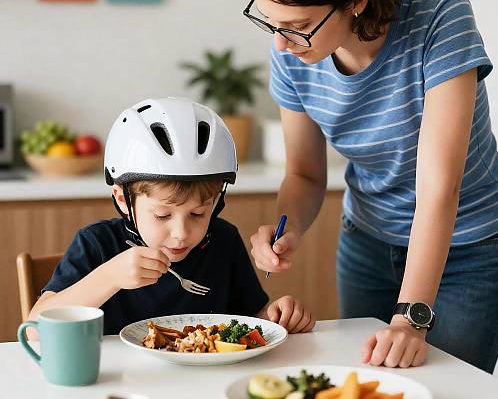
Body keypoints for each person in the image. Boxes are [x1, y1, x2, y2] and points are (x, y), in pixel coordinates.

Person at [233, 0, 498, 372]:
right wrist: (288, 227)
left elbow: (439, 188)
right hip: (367, 241)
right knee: (367, 379)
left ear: (356, 0)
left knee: (443, 387)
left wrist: (410, 316)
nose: (280, 44)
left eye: (297, 27)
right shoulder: (291, 51)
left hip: (471, 247)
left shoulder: (439, 17)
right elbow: (303, 173)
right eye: (270, 23)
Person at [28, 97, 315, 336]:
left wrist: (277, 317)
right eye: (162, 215)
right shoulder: (97, 245)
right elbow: (33, 330)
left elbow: (250, 322)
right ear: (122, 200)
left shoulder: (224, 241)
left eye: (198, 213)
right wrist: (110, 277)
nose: (181, 232)